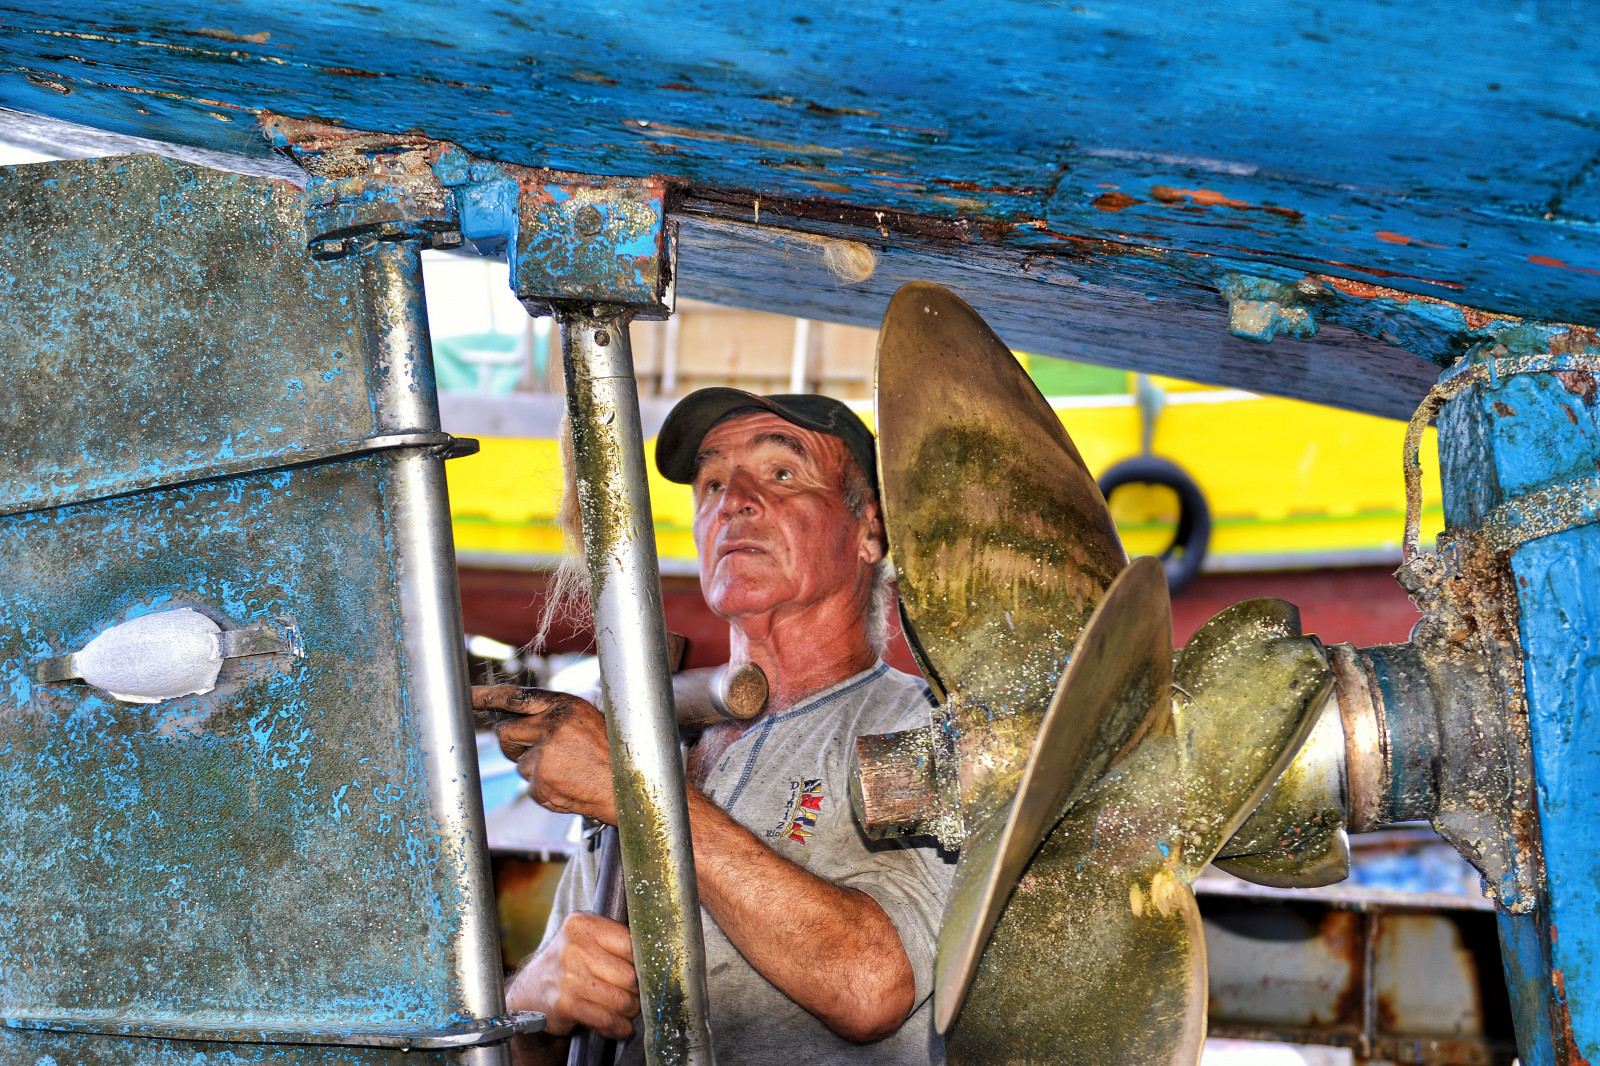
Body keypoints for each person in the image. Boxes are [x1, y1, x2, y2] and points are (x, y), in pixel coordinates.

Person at [476, 389, 952, 1065]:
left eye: (783, 473)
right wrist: (535, 1000)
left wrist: (633, 789)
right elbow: (537, 1048)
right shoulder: (652, 739)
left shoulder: (918, 729)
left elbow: (871, 984)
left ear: (870, 528)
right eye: (712, 482)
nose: (733, 501)